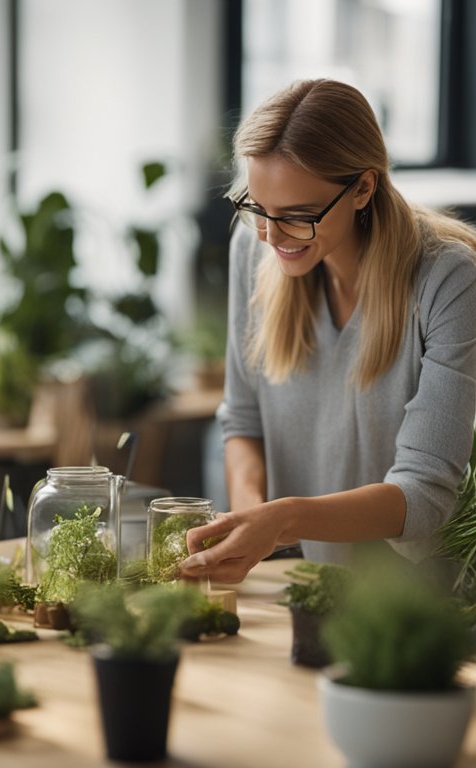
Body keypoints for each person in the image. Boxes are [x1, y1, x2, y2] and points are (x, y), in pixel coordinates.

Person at [180, 79, 476, 583]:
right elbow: (242, 422)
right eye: (258, 207)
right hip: (299, 582)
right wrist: (249, 526)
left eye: (297, 216)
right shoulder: (254, 248)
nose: (272, 237)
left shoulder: (449, 280)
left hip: (406, 601)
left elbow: (423, 495)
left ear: (364, 187)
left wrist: (282, 520)